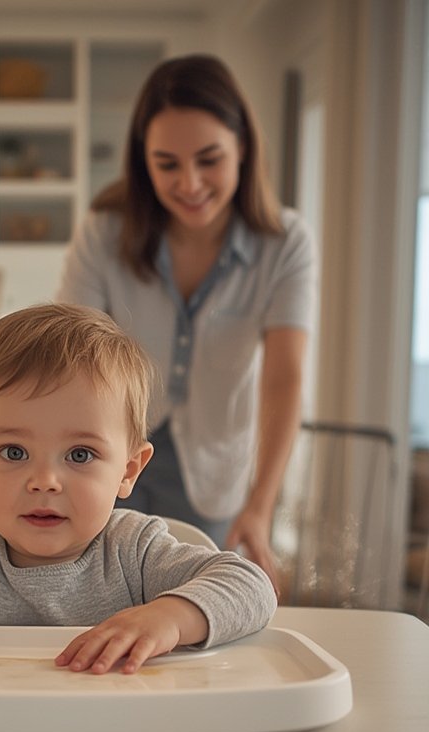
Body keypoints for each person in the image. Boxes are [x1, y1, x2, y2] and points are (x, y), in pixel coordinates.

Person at [0, 303, 277, 675]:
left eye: (80, 455)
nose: (44, 481)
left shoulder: (136, 553)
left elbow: (250, 585)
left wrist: (170, 618)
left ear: (128, 470)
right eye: (14, 453)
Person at [56, 54, 317, 591]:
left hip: (213, 472)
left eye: (209, 159)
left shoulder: (286, 243)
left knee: (187, 615)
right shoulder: (104, 232)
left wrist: (261, 505)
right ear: (142, 161)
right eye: (167, 163)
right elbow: (70, 350)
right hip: (103, 455)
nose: (190, 182)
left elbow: (284, 378)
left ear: (242, 148)